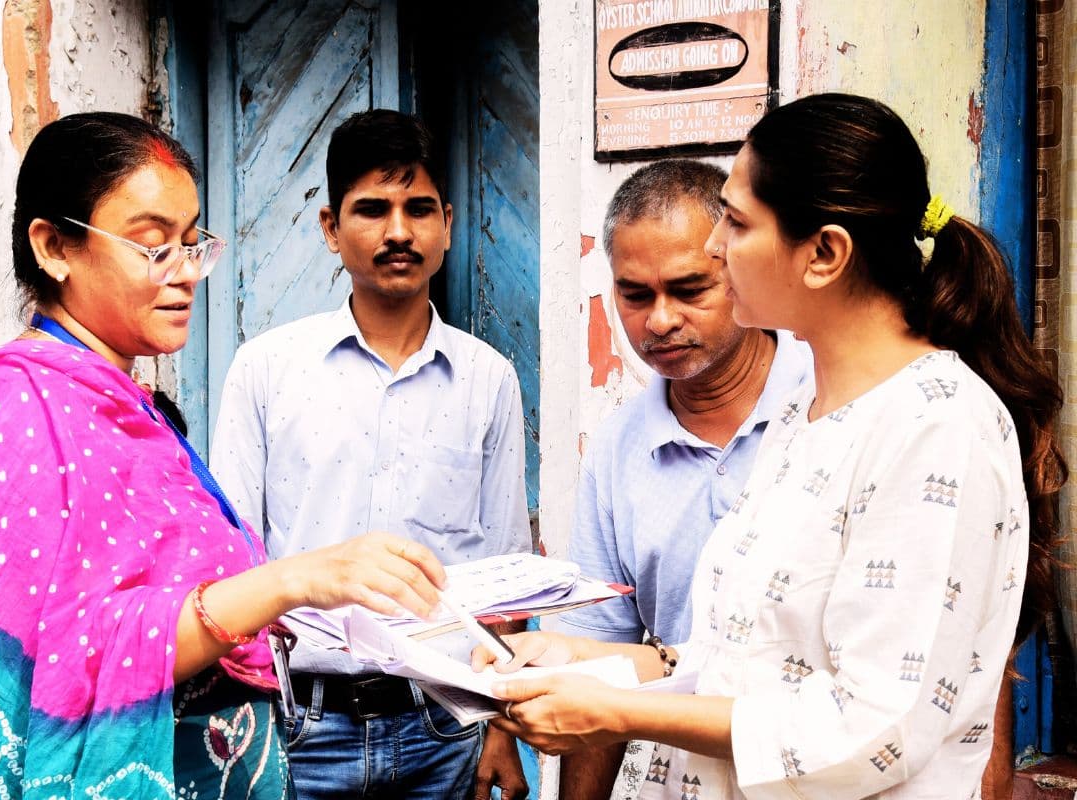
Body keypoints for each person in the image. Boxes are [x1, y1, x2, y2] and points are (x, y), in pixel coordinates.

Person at [475, 93, 1067, 800]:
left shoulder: (935, 426)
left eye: (736, 221)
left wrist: (618, 712)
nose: (716, 246)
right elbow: (746, 662)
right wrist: (583, 660)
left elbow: (877, 728)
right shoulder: (805, 411)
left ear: (824, 254)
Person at [0, 112, 449, 798]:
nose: (186, 274)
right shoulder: (19, 414)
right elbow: (74, 652)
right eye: (154, 247)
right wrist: (292, 581)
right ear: (55, 246)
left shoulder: (122, 406)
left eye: (191, 244)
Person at [211, 109, 532, 800]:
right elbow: (228, 562)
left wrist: (501, 729)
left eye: (419, 209)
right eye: (372, 209)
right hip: (298, 730)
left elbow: (506, 572)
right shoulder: (266, 370)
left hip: (444, 731)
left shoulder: (489, 379)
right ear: (331, 228)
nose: (398, 231)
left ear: (447, 223)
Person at [551, 160, 810, 799]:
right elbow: (600, 667)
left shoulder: (830, 403)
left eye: (690, 289)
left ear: (739, 268)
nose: (660, 320)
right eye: (635, 295)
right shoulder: (618, 451)